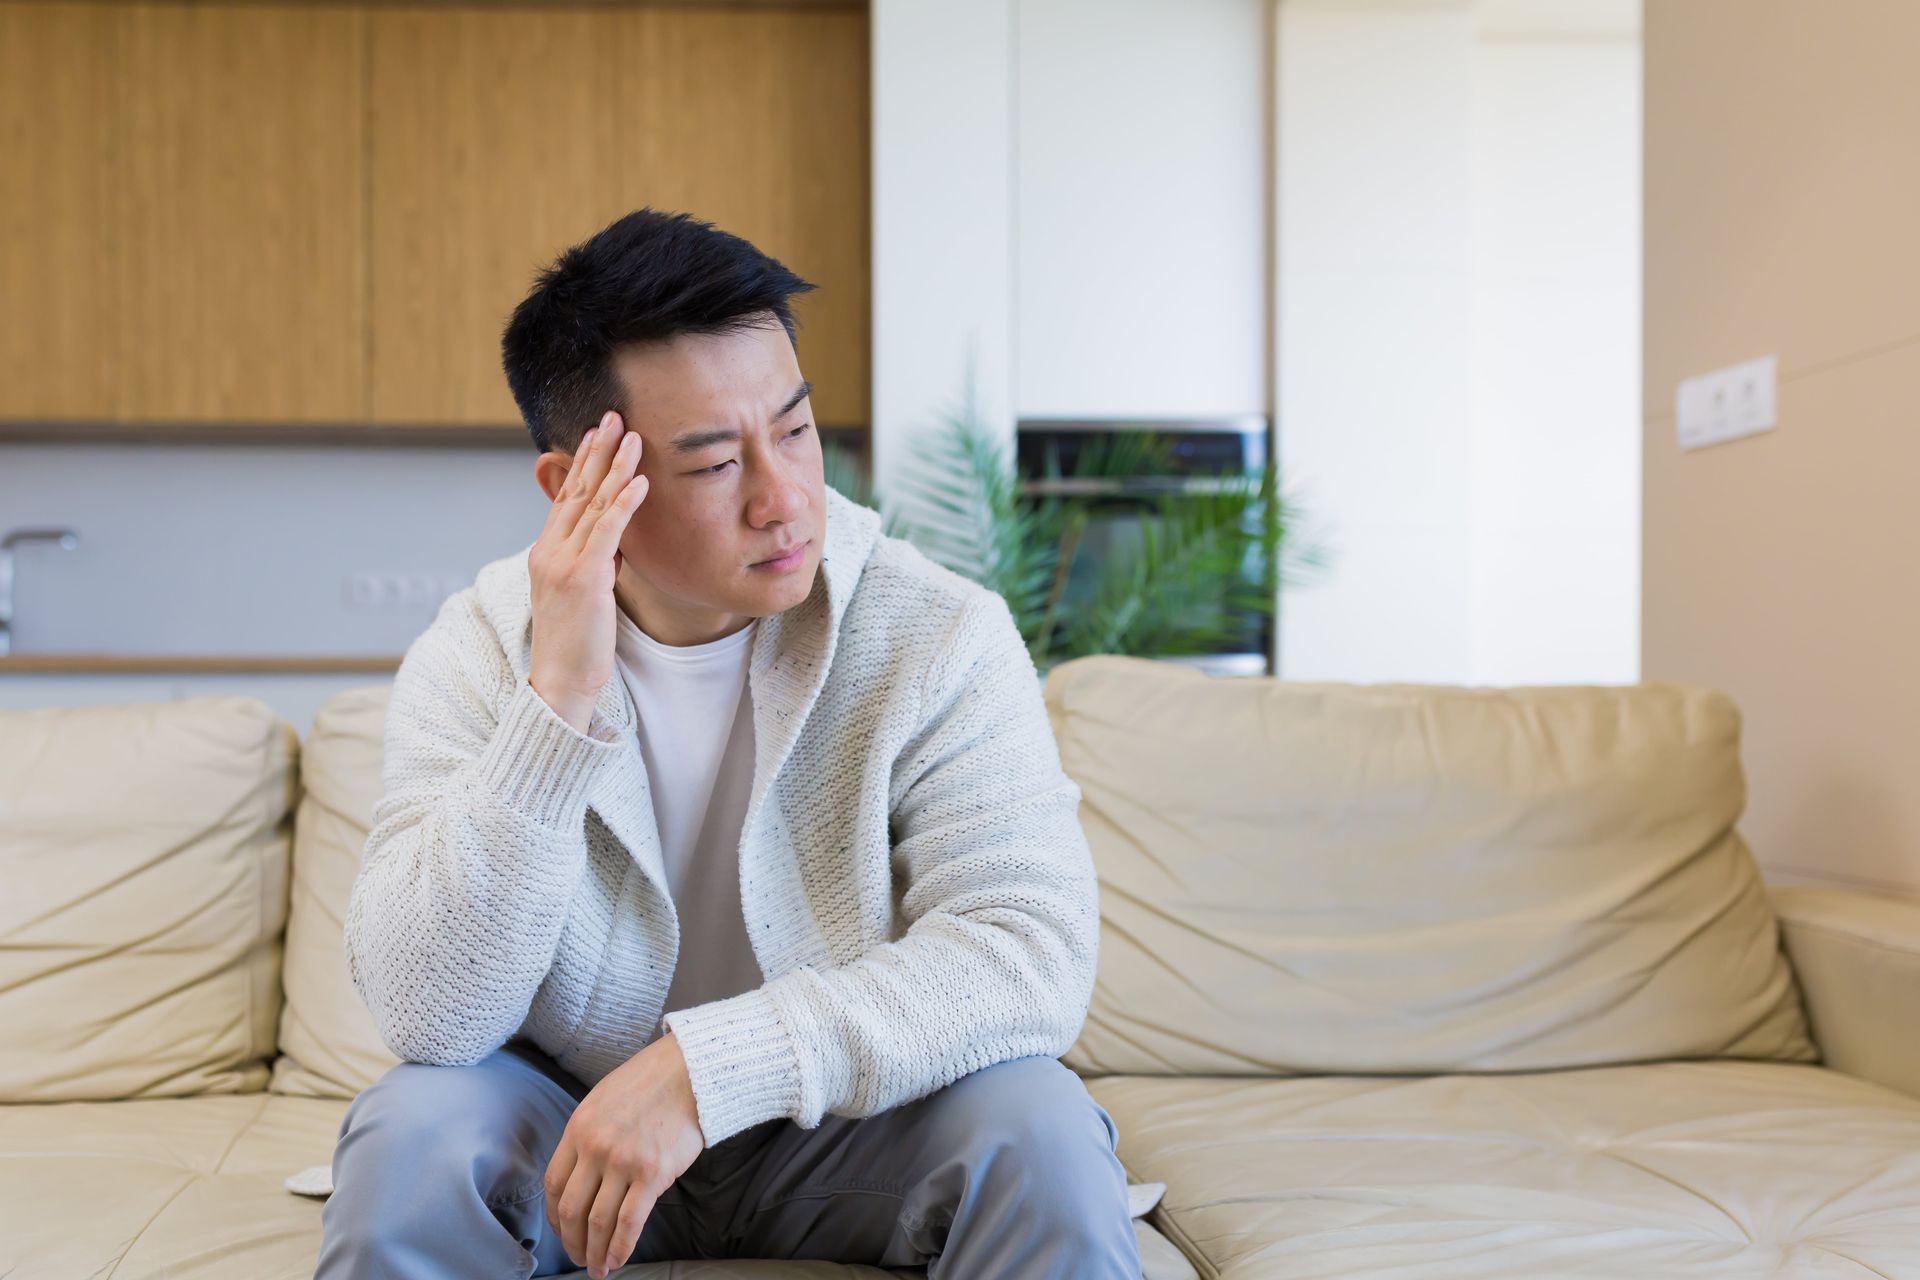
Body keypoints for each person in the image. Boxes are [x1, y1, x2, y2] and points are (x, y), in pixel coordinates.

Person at [315, 207, 1140, 1279]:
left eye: (793, 430)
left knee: (1041, 1124)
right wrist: (556, 699)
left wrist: (708, 1072)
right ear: (576, 488)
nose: (785, 497)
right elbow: (433, 1013)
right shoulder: (477, 650)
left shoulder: (937, 633)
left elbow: (1029, 948)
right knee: (412, 1137)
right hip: (577, 1134)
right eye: (712, 464)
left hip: (842, 1128)